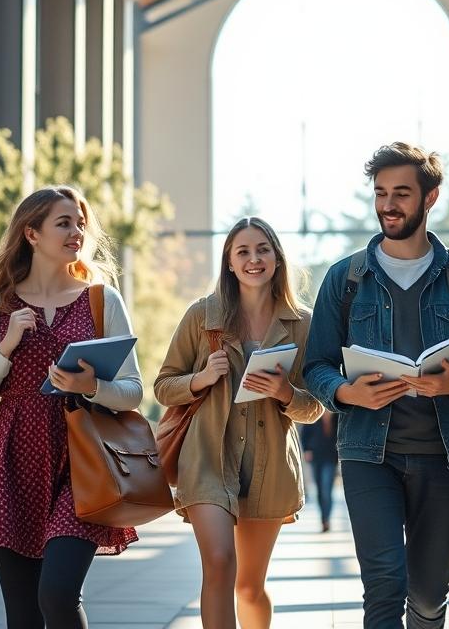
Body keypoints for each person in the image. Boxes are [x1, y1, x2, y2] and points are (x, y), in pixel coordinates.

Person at [304, 142, 449, 629]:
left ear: (430, 197)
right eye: (380, 193)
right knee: (384, 586)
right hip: (366, 455)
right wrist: (346, 392)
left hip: (442, 457)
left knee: (428, 593)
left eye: (400, 193)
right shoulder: (345, 278)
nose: (388, 205)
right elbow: (315, 366)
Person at [0, 186, 144, 629]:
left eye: (80, 222)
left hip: (82, 462)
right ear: (32, 234)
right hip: (11, 465)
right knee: (22, 614)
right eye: (64, 223)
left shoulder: (102, 300)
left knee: (57, 595)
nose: (77, 231)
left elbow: (133, 390)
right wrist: (5, 348)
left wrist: (89, 384)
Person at [153, 216, 324, 629]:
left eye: (262, 249)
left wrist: (285, 393)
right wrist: (200, 378)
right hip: (208, 458)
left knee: (249, 586)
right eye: (242, 251)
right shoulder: (202, 316)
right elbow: (162, 386)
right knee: (219, 564)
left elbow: (315, 405)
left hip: (269, 468)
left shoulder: (303, 323)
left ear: (277, 258)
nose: (253, 259)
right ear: (229, 262)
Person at [300, 411, 339, 532]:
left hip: (331, 457)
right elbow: (304, 433)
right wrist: (306, 449)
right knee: (320, 490)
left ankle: (327, 518)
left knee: (327, 489)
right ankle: (323, 518)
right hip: (316, 456)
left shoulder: (337, 416)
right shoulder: (315, 413)